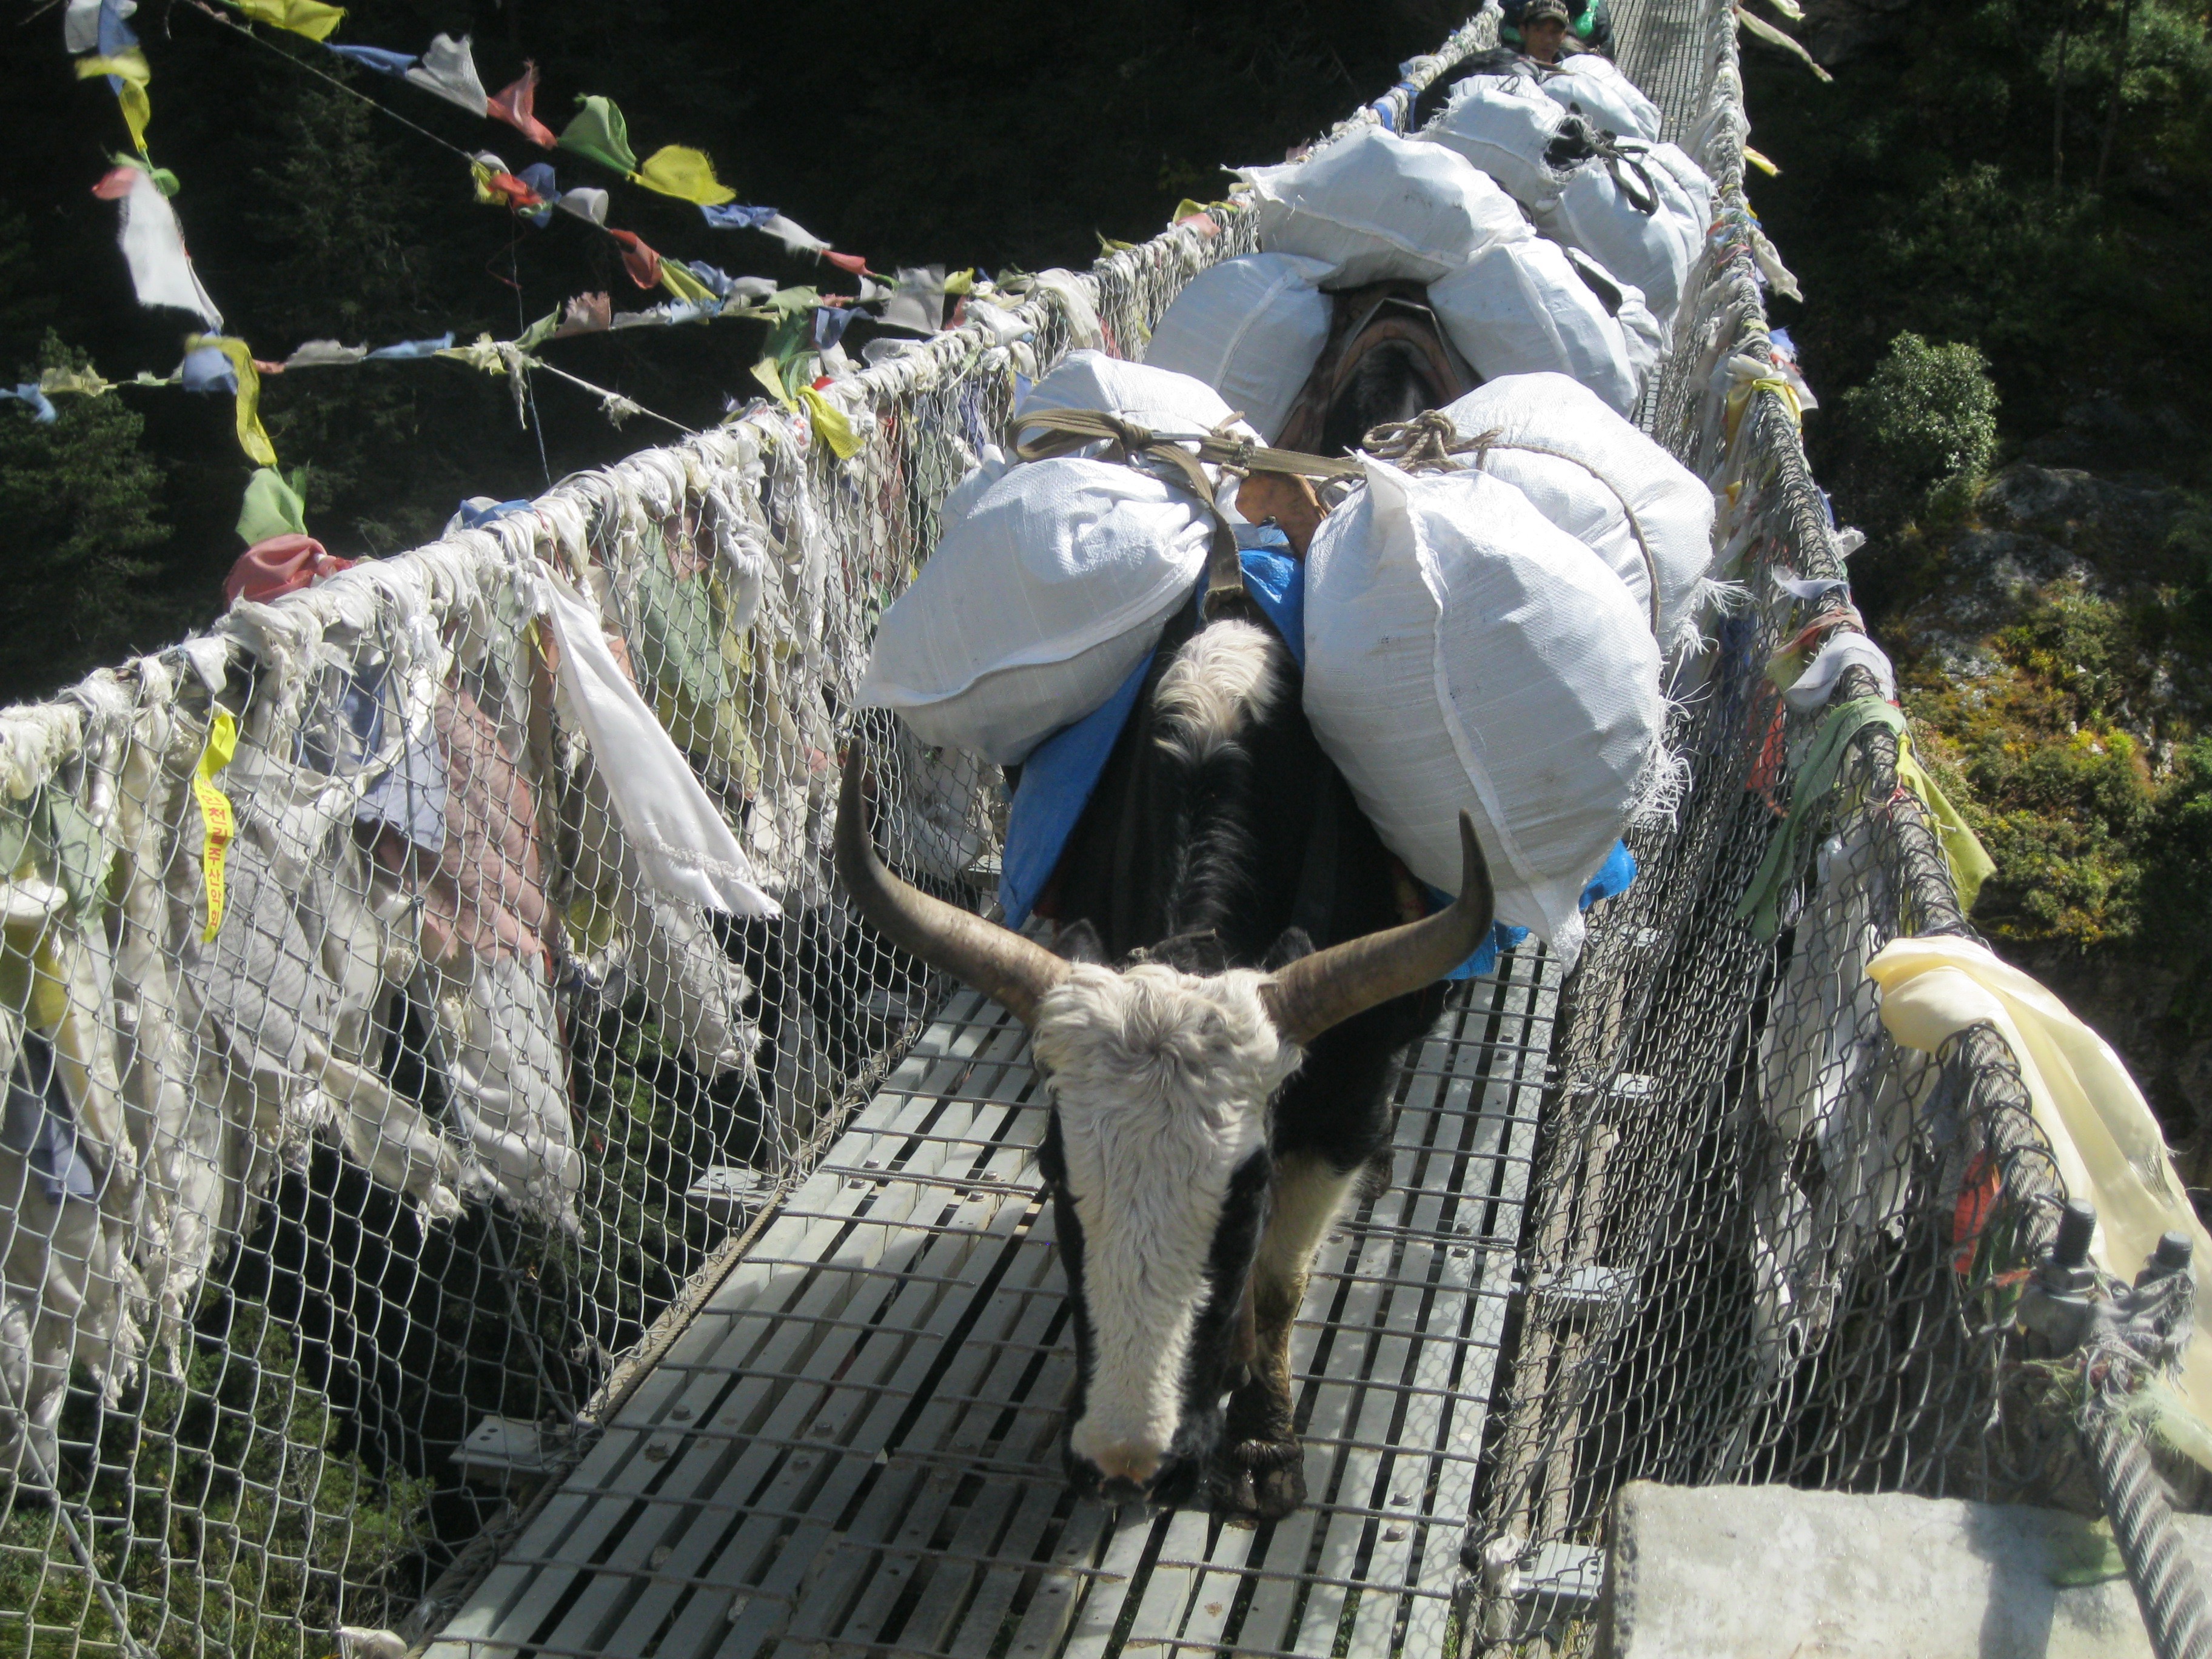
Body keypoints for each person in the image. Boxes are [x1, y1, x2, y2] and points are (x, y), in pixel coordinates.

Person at [1501, 0, 1614, 61]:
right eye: (1539, 31)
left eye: (1554, 33)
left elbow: (1580, 7)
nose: (1547, 40)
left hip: (1572, 19)